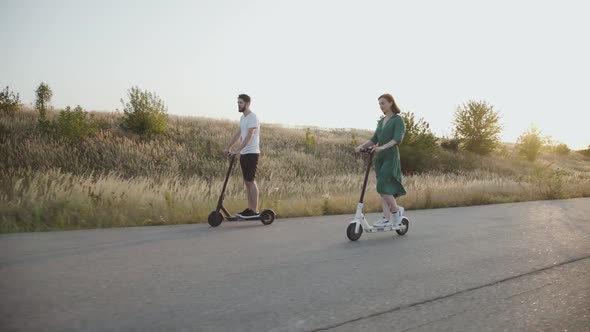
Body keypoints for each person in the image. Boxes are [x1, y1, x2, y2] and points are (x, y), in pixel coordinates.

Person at [355, 93, 407, 227]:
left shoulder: (397, 120)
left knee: (382, 185)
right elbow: (374, 140)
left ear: (391, 103)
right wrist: (362, 146)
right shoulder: (381, 121)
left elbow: (397, 139)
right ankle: (386, 217)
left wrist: (382, 147)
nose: (381, 106)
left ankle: (396, 213)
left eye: (383, 103)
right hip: (380, 158)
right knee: (384, 189)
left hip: (391, 156)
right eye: (379, 104)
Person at [224, 94, 261, 218]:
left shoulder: (253, 117)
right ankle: (250, 209)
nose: (238, 105)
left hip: (252, 153)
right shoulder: (243, 118)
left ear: (248, 103)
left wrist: (237, 150)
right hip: (244, 153)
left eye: (241, 103)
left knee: (251, 180)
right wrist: (229, 147)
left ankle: (254, 211)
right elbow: (239, 134)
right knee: (247, 182)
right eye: (238, 103)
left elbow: (249, 136)